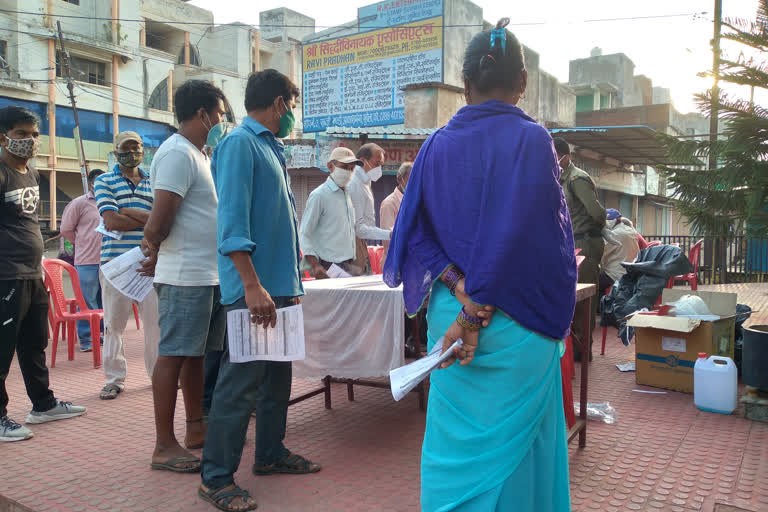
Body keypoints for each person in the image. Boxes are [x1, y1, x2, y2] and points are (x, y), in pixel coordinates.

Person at [383, 19, 575, 511]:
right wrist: (478, 306)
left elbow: (414, 234)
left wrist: (462, 292)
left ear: (464, 84)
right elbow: (531, 237)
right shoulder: (534, 141)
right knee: (523, 462)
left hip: (453, 328)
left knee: (453, 459)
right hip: (518, 325)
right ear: (523, 83)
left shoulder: (433, 147)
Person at [200, 69, 320, 512]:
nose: (291, 114)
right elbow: (232, 225)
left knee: (275, 381)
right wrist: (251, 286)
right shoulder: (239, 144)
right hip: (253, 292)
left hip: (278, 289)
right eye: (291, 105)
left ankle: (269, 454)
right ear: (277, 104)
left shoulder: (271, 147)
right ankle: (215, 478)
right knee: (238, 387)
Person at [139, 80, 228, 473]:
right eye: (220, 115)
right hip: (184, 275)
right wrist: (152, 246)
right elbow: (161, 217)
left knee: (195, 356)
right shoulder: (177, 153)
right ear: (202, 114)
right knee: (174, 354)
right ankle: (163, 444)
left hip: (206, 274)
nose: (222, 122)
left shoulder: (199, 154)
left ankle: (195, 429)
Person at [0, 106, 87, 442]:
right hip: (6, 275)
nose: (30, 141)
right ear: (3, 137)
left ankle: (43, 405)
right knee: (2, 349)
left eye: (34, 135)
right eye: (21, 134)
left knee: (34, 342)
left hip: (31, 274)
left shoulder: (32, 174)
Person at [94, 131, 160, 400]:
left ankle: (158, 376)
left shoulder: (154, 181)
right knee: (114, 325)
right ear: (116, 150)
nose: (132, 152)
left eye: (137, 147)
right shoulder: (104, 180)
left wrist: (128, 212)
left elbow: (164, 219)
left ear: (143, 151)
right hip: (115, 263)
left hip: (149, 263)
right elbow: (110, 221)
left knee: (155, 325)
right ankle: (114, 379)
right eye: (126, 148)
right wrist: (149, 220)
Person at [554, 136, 605, 361]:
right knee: (570, 297)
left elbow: (597, 213)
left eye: (554, 157)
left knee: (585, 299)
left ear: (565, 157)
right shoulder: (558, 180)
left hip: (584, 243)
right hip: (569, 243)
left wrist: (586, 230)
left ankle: (584, 350)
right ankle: (574, 346)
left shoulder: (577, 179)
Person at [59, 168, 106, 352]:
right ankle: (87, 338)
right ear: (91, 183)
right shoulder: (79, 203)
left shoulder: (111, 202)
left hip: (108, 260)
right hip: (86, 260)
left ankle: (102, 335)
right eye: (97, 181)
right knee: (87, 301)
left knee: (104, 301)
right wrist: (80, 242)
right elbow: (66, 229)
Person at [299, 147, 362, 279]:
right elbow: (304, 233)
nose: (349, 172)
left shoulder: (347, 195)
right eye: (344, 167)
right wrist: (315, 265)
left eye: (352, 168)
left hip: (347, 265)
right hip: (327, 266)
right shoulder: (319, 195)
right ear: (330, 166)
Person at [347, 143, 392, 274]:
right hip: (354, 244)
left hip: (361, 243)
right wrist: (389, 234)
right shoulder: (355, 184)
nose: (379, 168)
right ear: (362, 161)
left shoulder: (365, 182)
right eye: (376, 163)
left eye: (381, 164)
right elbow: (359, 228)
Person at [600, 209, 640, 291]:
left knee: (592, 283)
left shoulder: (616, 234)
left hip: (615, 275)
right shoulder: (631, 231)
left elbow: (600, 253)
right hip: (630, 273)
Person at [380, 161, 412, 265]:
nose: (413, 184)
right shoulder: (389, 203)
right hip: (395, 261)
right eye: (410, 180)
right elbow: (388, 240)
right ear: (399, 179)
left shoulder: (414, 200)